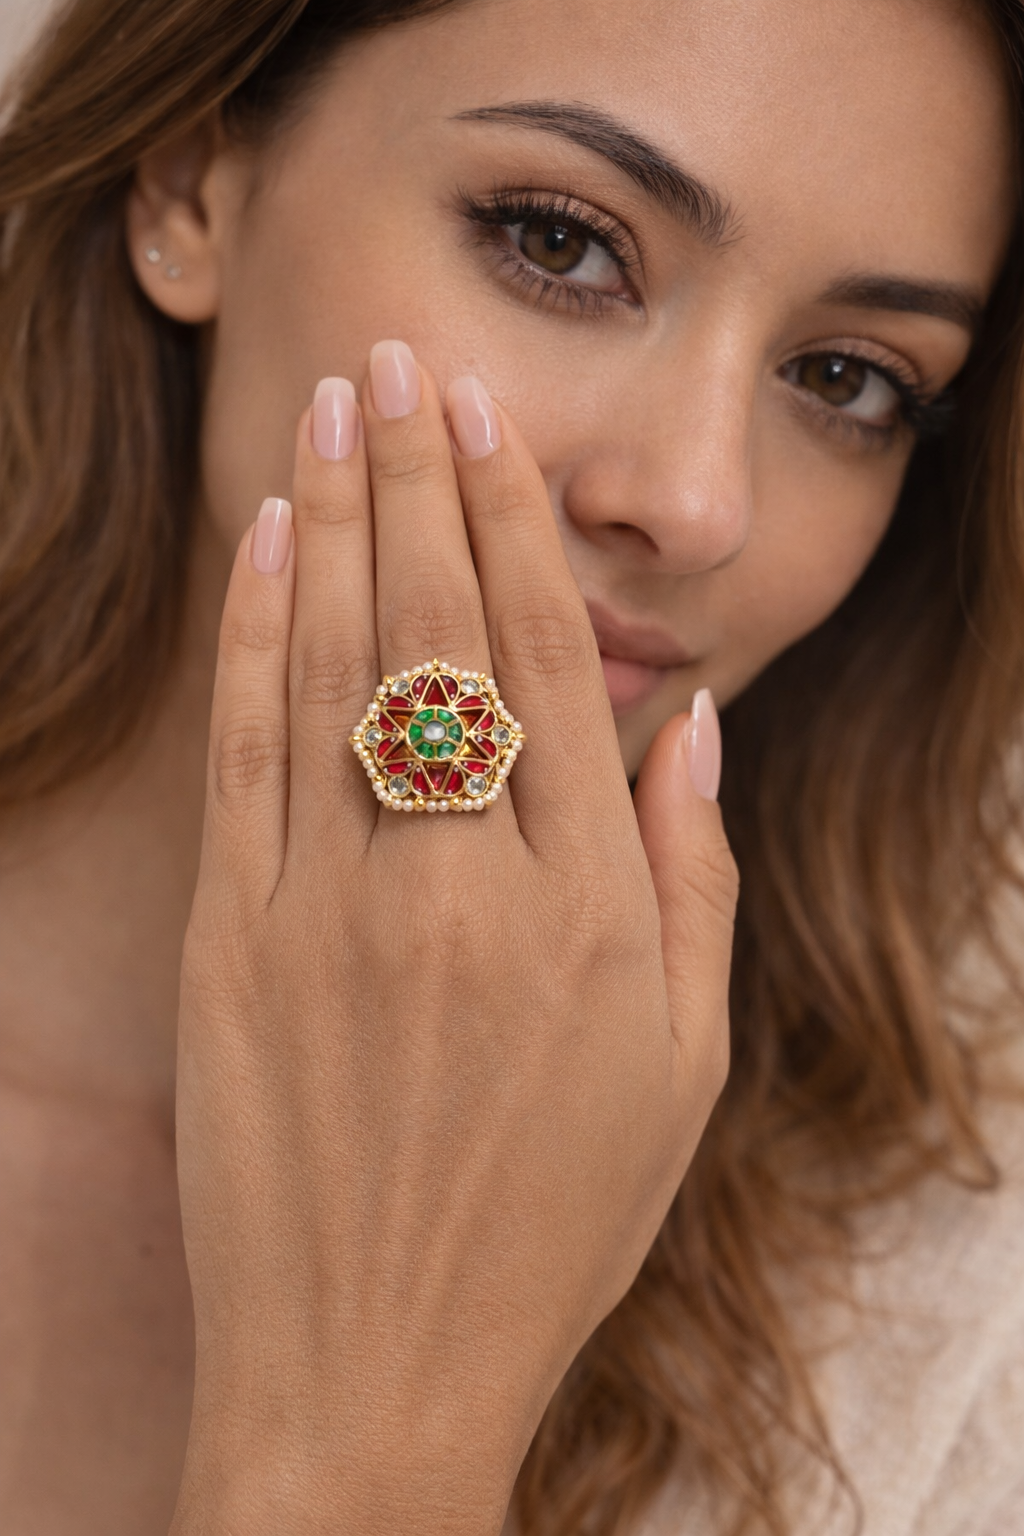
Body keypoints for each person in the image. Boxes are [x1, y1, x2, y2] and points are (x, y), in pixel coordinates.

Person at [0, 0, 1022, 1531]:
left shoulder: (956, 1328)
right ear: (191, 182)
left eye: (845, 379)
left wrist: (378, 1439)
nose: (697, 502)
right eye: (562, 244)